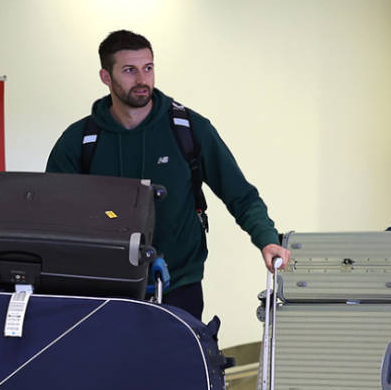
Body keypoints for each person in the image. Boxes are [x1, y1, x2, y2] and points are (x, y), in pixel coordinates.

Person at [46, 29, 289, 322]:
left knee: (174, 367)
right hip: (104, 288)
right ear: (106, 77)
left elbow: (241, 195)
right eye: (129, 70)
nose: (142, 79)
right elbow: (53, 217)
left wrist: (266, 238)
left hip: (179, 284)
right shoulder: (80, 141)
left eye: (148, 68)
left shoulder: (188, 129)